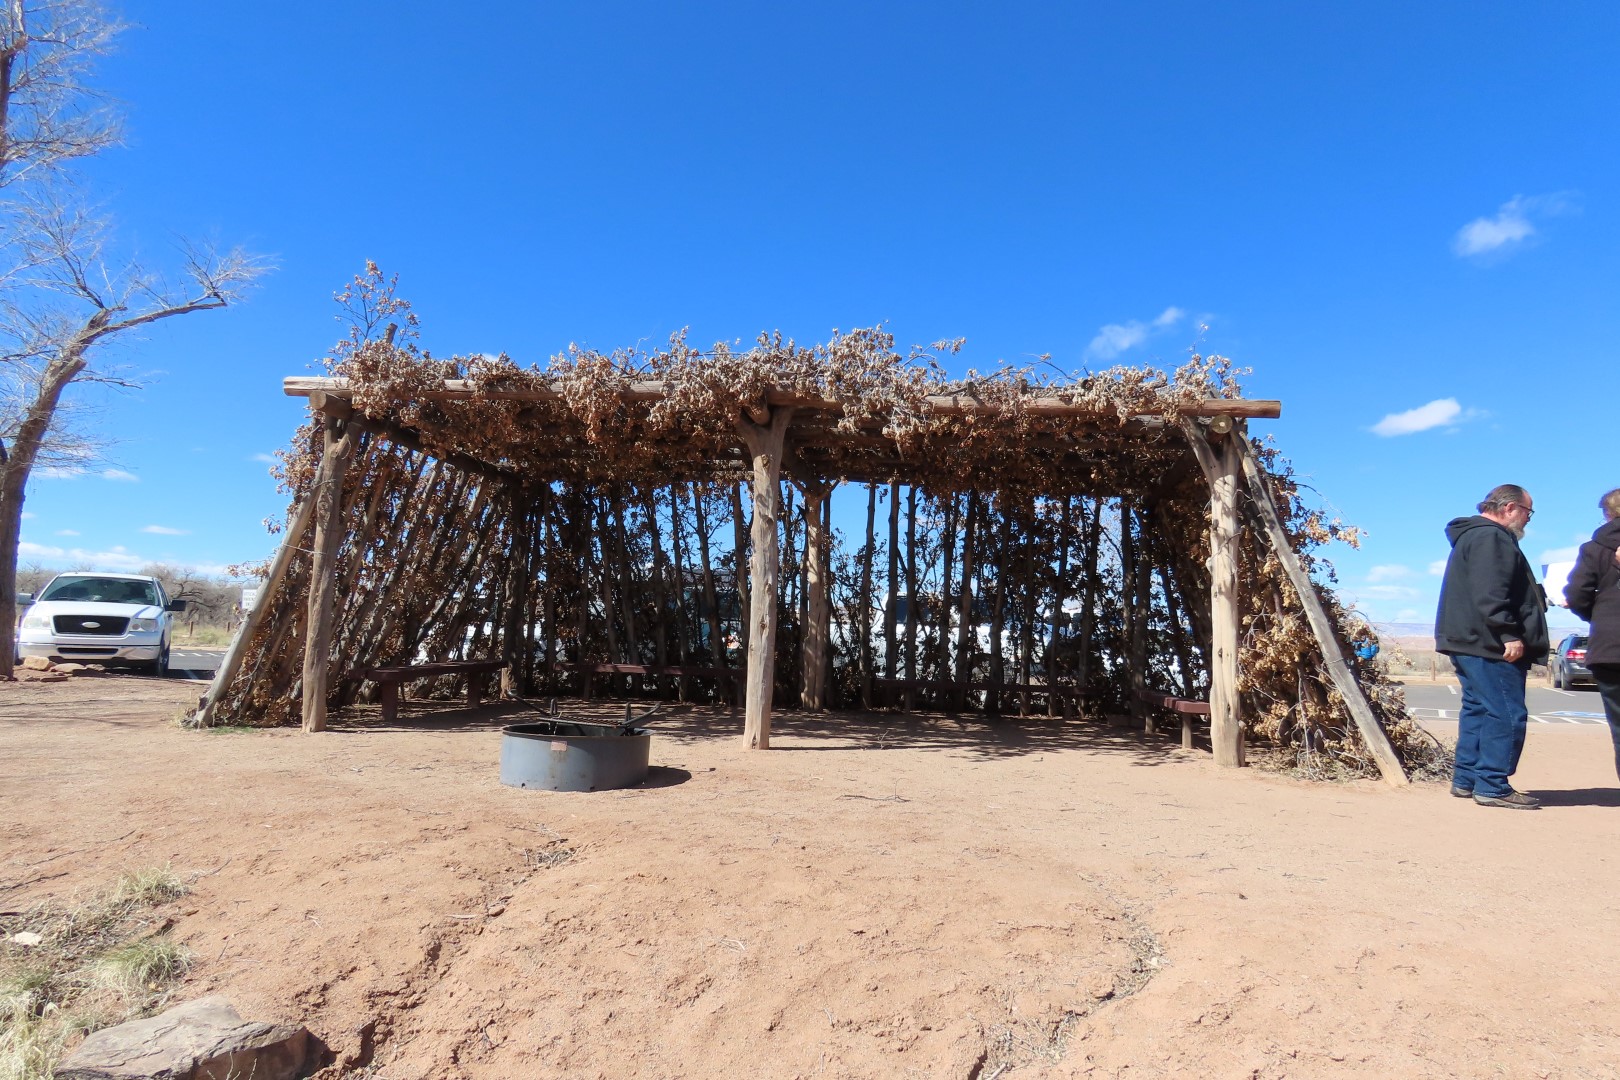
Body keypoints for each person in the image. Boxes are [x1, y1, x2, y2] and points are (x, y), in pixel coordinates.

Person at [1435, 484, 1549, 809]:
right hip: (1489, 644)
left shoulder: (1473, 535)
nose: (1528, 520)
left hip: (1470, 640)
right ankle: (1492, 785)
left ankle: (1467, 780)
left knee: (1478, 709)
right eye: (1529, 512)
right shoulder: (1491, 537)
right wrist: (1508, 633)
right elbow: (1491, 592)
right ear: (1511, 508)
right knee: (1506, 712)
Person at [1563, 487, 1620, 781]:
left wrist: (1598, 617)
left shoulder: (1594, 548)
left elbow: (1576, 593)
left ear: (1608, 514)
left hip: (1611, 647)